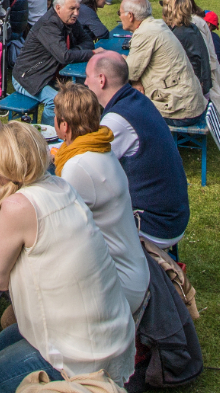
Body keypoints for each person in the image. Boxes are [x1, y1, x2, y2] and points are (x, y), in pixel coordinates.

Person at [0, 121, 135, 393]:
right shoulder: (58, 184)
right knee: (5, 340)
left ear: (0, 170)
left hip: (81, 355)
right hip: (109, 333)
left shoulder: (18, 206)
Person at [53, 83, 150, 318]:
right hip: (133, 269)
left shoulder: (78, 166)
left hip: (117, 284)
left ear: (64, 125)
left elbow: (57, 232)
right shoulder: (100, 147)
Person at [83, 51, 190, 250]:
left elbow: (89, 170)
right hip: (174, 213)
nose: (85, 83)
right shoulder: (136, 100)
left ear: (101, 80)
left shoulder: (117, 120)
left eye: (87, 76)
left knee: (78, 221)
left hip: (155, 224)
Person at [117, 0, 206, 123]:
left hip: (179, 110)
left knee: (123, 109)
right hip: (188, 101)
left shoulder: (145, 32)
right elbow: (135, 71)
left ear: (130, 16)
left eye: (119, 13)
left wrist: (123, 61)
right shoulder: (156, 25)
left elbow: (129, 72)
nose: (119, 16)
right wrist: (135, 79)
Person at [13, 0, 98, 123]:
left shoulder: (70, 21)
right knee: (56, 102)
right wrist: (90, 54)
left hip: (49, 74)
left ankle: (82, 128)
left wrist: (75, 50)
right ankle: (48, 136)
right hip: (28, 76)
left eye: (78, 9)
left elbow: (87, 41)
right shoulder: (48, 25)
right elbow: (64, 56)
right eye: (72, 9)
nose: (76, 13)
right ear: (58, 8)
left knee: (85, 91)